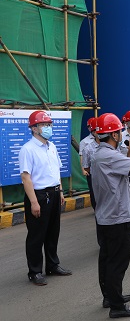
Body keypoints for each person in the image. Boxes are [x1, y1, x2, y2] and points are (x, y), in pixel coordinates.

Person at [91, 113, 130, 318]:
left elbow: (125, 165)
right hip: (117, 215)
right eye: (119, 131)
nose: (122, 134)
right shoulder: (109, 156)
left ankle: (110, 296)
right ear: (114, 135)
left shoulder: (101, 153)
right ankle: (117, 306)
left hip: (106, 215)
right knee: (118, 260)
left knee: (107, 258)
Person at [19, 110, 72, 286]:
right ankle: (35, 271)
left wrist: (61, 191)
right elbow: (26, 177)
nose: (48, 127)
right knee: (36, 235)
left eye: (49, 124)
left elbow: (56, 171)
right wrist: (34, 202)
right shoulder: (28, 149)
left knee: (53, 232)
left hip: (54, 193)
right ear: (34, 128)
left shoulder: (52, 146)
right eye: (44, 125)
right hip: (39, 195)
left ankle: (52, 265)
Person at [81, 117, 99, 210]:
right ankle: (96, 209)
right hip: (92, 171)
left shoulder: (106, 141)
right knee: (93, 191)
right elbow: (82, 156)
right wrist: (83, 169)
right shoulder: (85, 142)